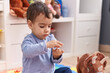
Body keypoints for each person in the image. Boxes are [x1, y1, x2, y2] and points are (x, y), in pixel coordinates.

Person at [21, 1, 72, 73]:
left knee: (67, 70)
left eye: (49, 26)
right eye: (42, 26)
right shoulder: (28, 40)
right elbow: (27, 52)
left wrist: (56, 56)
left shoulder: (51, 38)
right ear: (30, 24)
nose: (47, 30)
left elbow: (55, 61)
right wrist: (46, 45)